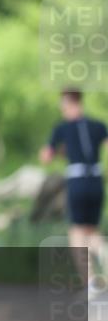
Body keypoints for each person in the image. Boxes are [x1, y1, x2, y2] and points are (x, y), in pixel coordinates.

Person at [40, 89, 108, 299]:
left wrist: (61, 151)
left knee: (77, 234)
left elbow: (45, 157)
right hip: (96, 180)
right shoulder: (98, 125)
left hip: (77, 181)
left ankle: (91, 284)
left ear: (68, 104)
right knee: (92, 231)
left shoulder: (62, 128)